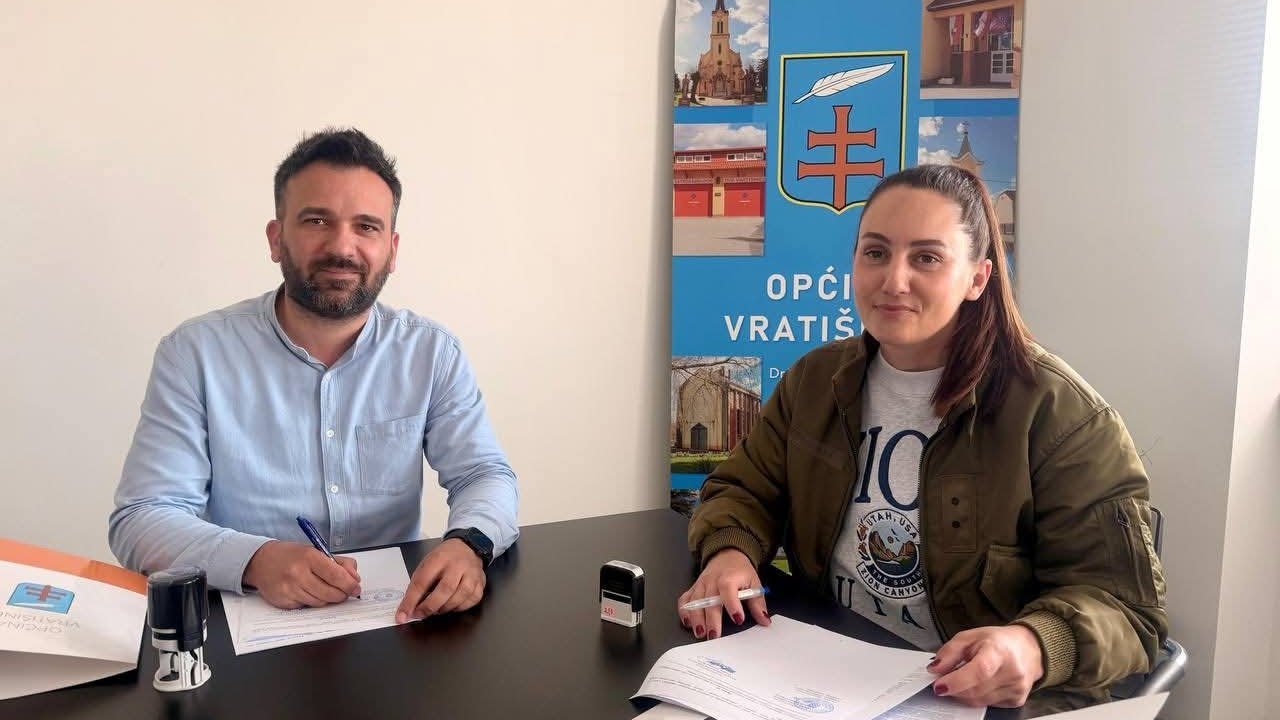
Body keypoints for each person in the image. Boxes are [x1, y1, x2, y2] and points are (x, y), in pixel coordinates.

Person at [679, 164, 1167, 709]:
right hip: (824, 672)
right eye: (876, 252)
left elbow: (1128, 611)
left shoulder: (1061, 415)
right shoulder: (815, 381)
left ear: (978, 278)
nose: (894, 281)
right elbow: (744, 489)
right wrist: (730, 551)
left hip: (966, 699)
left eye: (927, 258)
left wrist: (1033, 645)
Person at [109, 128, 518, 624]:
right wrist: (255, 560)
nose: (342, 246)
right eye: (317, 220)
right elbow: (142, 516)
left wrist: (470, 543)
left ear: (391, 249)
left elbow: (483, 474)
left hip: (391, 622)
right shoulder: (194, 354)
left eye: (366, 226)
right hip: (245, 627)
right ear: (276, 238)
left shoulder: (431, 352)